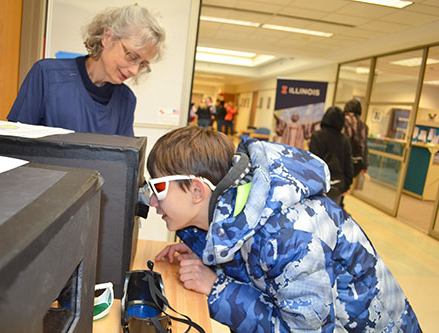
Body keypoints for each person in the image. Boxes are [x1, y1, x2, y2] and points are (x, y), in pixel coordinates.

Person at [147, 126, 421, 332]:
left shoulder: (287, 234)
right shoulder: (236, 205)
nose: (151, 201)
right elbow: (253, 263)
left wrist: (217, 287)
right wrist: (203, 249)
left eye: (158, 188)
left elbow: (302, 330)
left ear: (197, 190)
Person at [7, 4, 166, 136]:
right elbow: (12, 144)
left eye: (143, 64)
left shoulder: (126, 100)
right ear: (108, 37)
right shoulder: (47, 76)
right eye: (131, 56)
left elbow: (124, 162)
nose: (134, 70)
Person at [309, 106, 353, 206]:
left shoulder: (317, 136)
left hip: (319, 185)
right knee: (331, 217)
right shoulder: (344, 140)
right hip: (336, 186)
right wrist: (346, 186)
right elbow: (348, 165)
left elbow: (312, 163)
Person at [342, 99, 369, 178]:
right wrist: (365, 165)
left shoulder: (344, 121)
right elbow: (365, 146)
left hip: (343, 161)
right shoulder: (363, 126)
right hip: (357, 162)